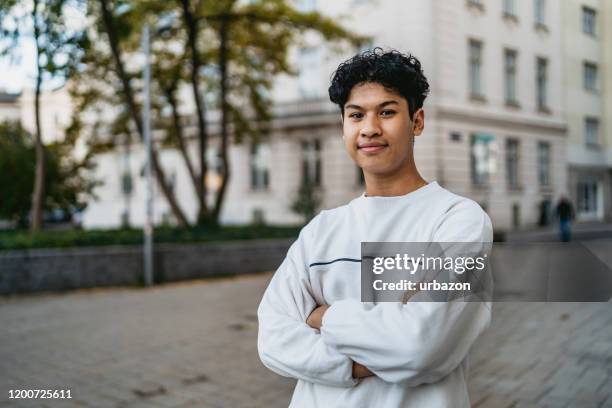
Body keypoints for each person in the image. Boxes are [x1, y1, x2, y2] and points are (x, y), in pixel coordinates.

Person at [257, 48, 493, 407]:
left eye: (387, 112)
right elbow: (273, 340)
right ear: (344, 126)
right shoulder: (320, 230)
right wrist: (371, 352)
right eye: (356, 115)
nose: (370, 128)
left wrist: (323, 315)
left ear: (417, 121)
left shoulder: (459, 220)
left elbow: (421, 344)